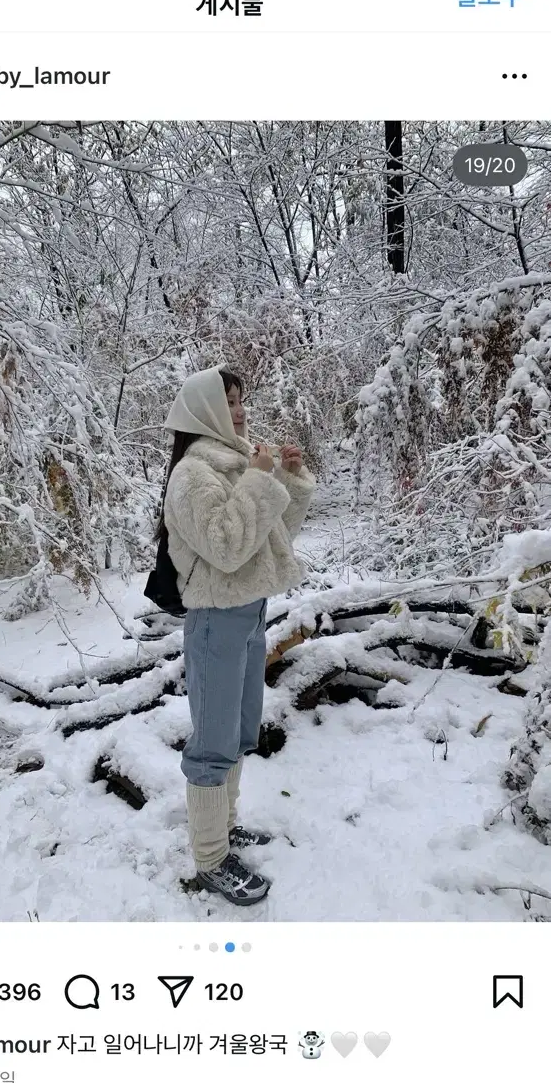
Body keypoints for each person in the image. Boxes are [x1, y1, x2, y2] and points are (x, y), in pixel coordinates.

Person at [160, 365, 316, 905]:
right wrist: (258, 478)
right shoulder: (193, 475)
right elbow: (226, 547)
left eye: (240, 400)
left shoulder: (234, 461)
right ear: (204, 410)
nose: (240, 410)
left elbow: (267, 542)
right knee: (212, 743)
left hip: (249, 614)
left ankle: (223, 831)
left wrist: (289, 485)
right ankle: (209, 859)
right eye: (228, 402)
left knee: (238, 730)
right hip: (215, 620)